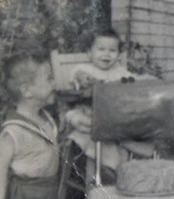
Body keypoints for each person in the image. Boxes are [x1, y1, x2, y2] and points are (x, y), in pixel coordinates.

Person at [65, 28, 155, 172]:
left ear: (119, 55)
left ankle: (122, 171)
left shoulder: (119, 72)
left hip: (114, 119)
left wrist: (145, 80)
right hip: (90, 117)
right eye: (101, 49)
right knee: (90, 130)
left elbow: (134, 82)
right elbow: (79, 77)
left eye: (112, 50)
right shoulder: (84, 69)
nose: (106, 54)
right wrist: (85, 79)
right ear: (90, 53)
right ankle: (96, 182)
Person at [0, 54, 59, 199]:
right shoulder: (14, 130)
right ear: (27, 91)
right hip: (25, 198)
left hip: (49, 192)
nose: (55, 83)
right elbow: (0, 167)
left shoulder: (45, 117)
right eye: (49, 78)